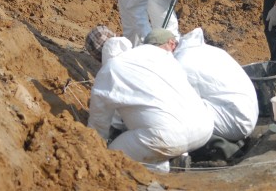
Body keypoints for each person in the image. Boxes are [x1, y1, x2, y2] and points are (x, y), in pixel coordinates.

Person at [88, 28, 214, 172]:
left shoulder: (109, 70)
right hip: (204, 127)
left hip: (169, 138)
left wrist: (96, 146)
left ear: (97, 56)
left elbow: (98, 124)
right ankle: (180, 155)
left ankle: (167, 166)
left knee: (113, 157)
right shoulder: (155, 53)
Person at [174, 27, 259, 161]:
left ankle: (224, 149)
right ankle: (231, 142)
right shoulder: (210, 51)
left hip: (236, 121)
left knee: (177, 111)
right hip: (246, 113)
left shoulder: (181, 62)